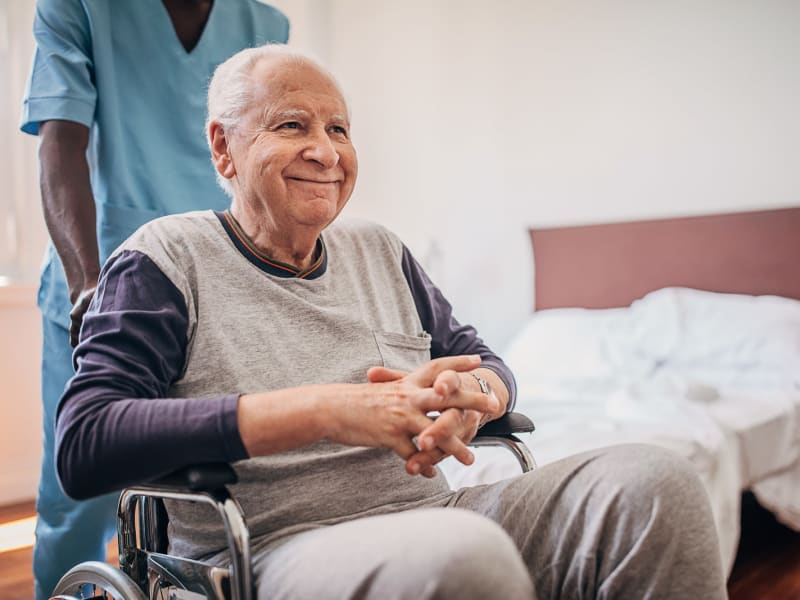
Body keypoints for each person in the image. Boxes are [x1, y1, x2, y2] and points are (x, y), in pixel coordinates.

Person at [56, 44, 728, 599]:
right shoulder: (167, 256)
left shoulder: (379, 250)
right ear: (225, 148)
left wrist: (476, 397)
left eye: (339, 129)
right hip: (268, 548)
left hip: (431, 511)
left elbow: (480, 358)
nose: (326, 152)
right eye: (293, 125)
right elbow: (85, 441)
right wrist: (323, 409)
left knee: (657, 483)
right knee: (459, 557)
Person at [19, 1, 289, 597]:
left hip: (221, 286)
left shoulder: (266, 29)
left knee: (210, 492)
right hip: (99, 281)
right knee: (78, 500)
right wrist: (88, 283)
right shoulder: (80, 8)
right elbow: (60, 141)